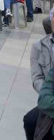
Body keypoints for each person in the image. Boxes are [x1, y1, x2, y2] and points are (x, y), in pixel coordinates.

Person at [24, 12, 54, 140]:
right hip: (49, 96)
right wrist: (47, 96)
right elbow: (37, 79)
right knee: (31, 120)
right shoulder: (39, 47)